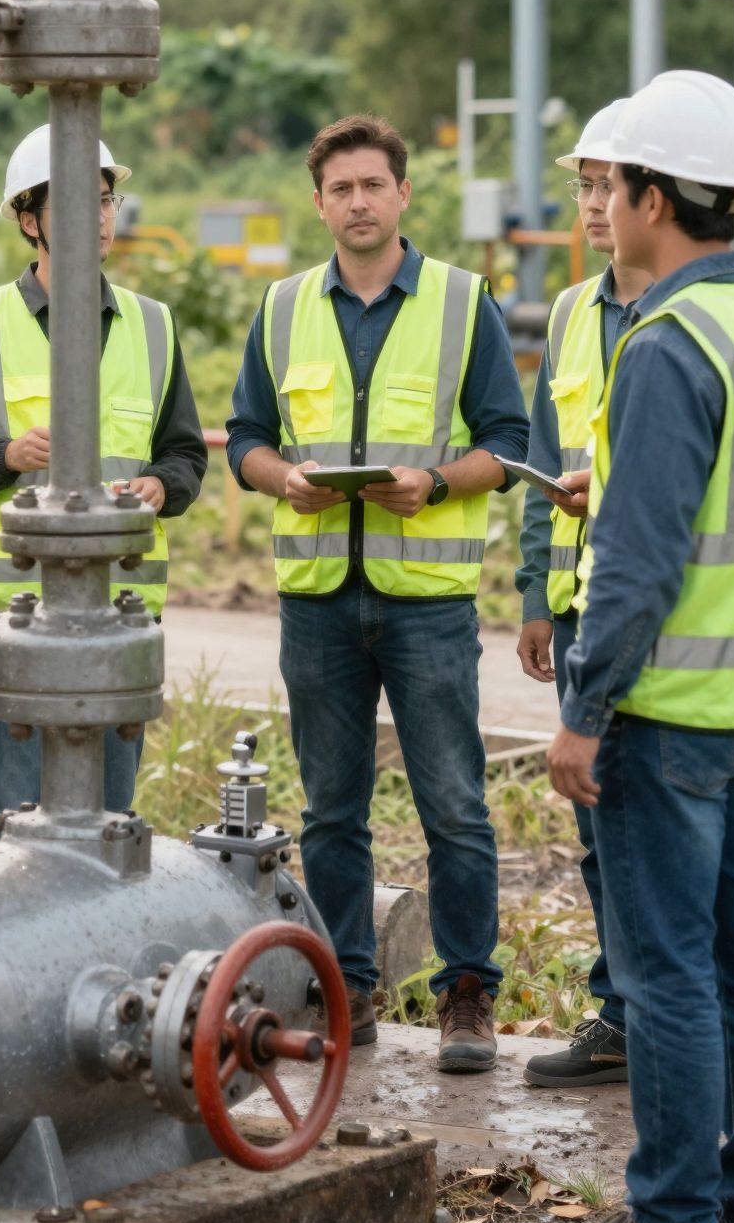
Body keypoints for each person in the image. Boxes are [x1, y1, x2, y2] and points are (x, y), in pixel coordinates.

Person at [539, 72, 734, 1223]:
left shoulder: (665, 342)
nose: (602, 205)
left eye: (614, 186)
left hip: (668, 713)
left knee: (665, 973)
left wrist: (580, 711)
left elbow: (640, 566)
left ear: (658, 196)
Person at [226, 113, 529, 1073]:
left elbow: (508, 442)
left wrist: (434, 483)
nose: (358, 202)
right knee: (329, 810)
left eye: (373, 185)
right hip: (318, 598)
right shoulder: (280, 309)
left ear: (403, 194)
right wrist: (285, 480)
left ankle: (467, 994)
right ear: (320, 204)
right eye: (340, 189)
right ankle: (346, 986)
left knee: (456, 806)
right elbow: (243, 440)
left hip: (426, 601)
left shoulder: (460, 301)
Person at [0, 125, 206, 846]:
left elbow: (184, 458)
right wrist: (6, 454)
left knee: (108, 833)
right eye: (78, 199)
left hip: (120, 617)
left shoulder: (154, 325)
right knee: (1, 826)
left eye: (106, 197)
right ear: (29, 219)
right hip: (13, 625)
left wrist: (158, 486)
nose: (99, 215)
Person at [515, 101, 650, 1090]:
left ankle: (665, 1011)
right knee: (597, 825)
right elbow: (541, 457)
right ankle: (620, 1009)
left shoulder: (683, 308)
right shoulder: (569, 312)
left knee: (656, 823)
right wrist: (531, 592)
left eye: (610, 185)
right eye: (586, 187)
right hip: (575, 606)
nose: (596, 205)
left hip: (657, 608)